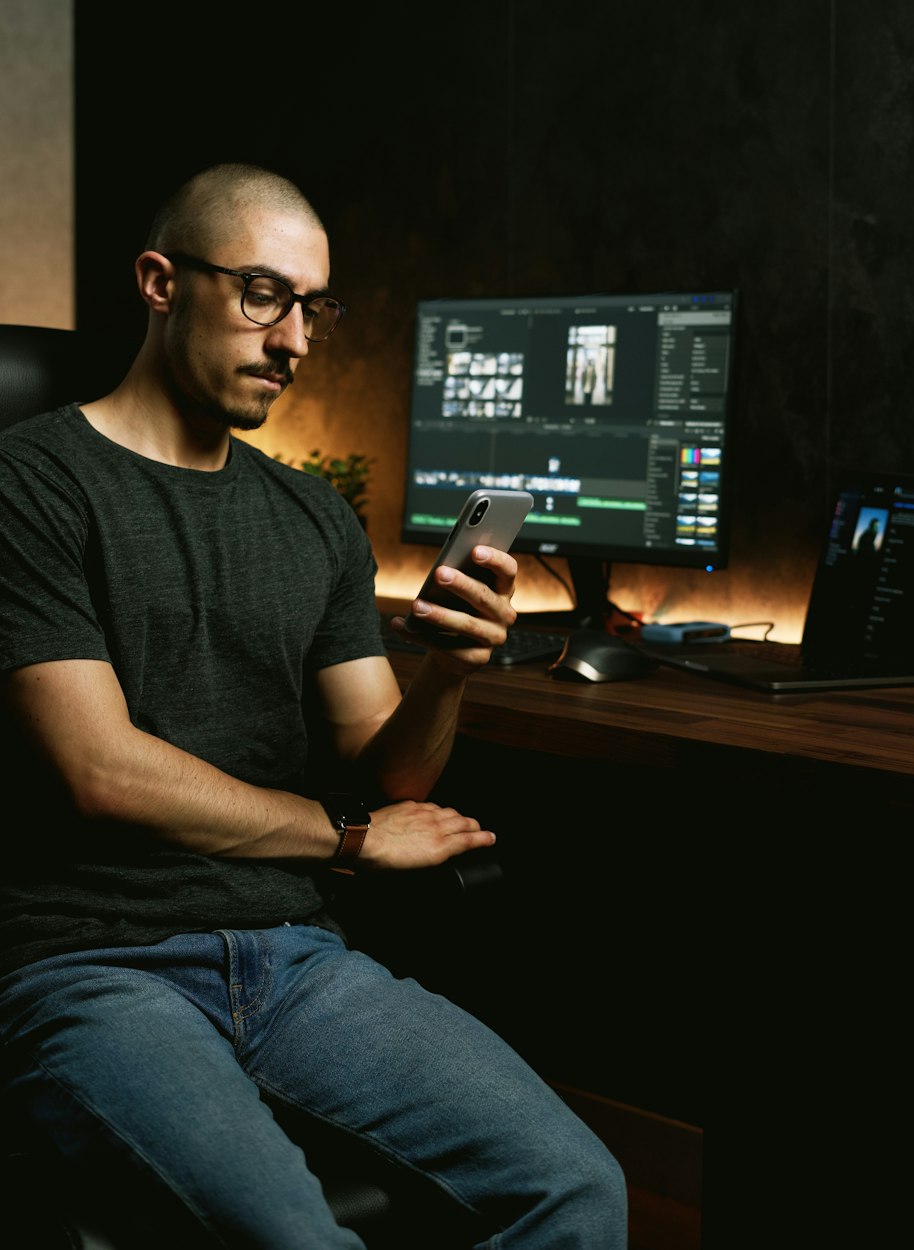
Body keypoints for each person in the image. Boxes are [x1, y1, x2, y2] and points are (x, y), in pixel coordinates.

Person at [0, 163, 628, 1248]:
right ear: (160, 281)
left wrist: (448, 668)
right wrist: (341, 839)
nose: (294, 338)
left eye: (313, 307)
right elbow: (101, 771)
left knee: (580, 1188)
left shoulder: (313, 519)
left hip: (291, 954)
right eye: (261, 293)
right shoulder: (32, 483)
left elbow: (392, 774)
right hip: (88, 963)